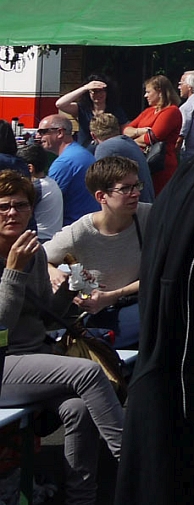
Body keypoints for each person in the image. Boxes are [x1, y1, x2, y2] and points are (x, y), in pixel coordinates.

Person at [0, 169, 124, 505]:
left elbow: (43, 318)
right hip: (4, 362)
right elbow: (1, 326)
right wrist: (13, 270)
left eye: (21, 205)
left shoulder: (33, 251)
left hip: (31, 360)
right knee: (87, 373)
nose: (13, 213)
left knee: (79, 409)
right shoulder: (21, 256)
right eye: (4, 207)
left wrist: (72, 289)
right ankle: (135, 464)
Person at [45, 153, 148, 348]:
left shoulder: (150, 216)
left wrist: (113, 295)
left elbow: (162, 272)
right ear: (101, 197)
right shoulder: (80, 231)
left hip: (139, 302)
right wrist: (54, 272)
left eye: (136, 186)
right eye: (125, 188)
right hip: (101, 315)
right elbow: (41, 258)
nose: (135, 193)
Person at [123, 74, 183, 194]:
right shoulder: (149, 111)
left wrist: (132, 141)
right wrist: (140, 131)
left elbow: (153, 137)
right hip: (144, 162)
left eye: (148, 92)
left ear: (160, 92)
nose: (145, 96)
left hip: (161, 166)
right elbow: (125, 130)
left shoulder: (171, 111)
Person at [38, 113, 98, 225]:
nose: (38, 136)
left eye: (43, 132)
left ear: (60, 133)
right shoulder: (81, 153)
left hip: (73, 226)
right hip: (88, 222)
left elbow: (48, 201)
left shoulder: (64, 163)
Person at [90, 111, 155, 203]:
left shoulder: (105, 148)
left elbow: (100, 183)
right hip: (145, 202)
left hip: (132, 205)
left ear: (93, 135)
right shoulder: (129, 142)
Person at [56, 74, 123, 151]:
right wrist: (85, 87)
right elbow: (60, 104)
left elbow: (125, 128)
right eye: (94, 91)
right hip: (84, 151)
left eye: (101, 91)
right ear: (88, 93)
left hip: (107, 151)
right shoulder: (82, 108)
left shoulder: (115, 110)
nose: (98, 94)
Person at [18, 144, 63, 241]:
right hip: (53, 236)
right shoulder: (51, 182)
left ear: (30, 168)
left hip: (40, 238)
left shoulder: (36, 187)